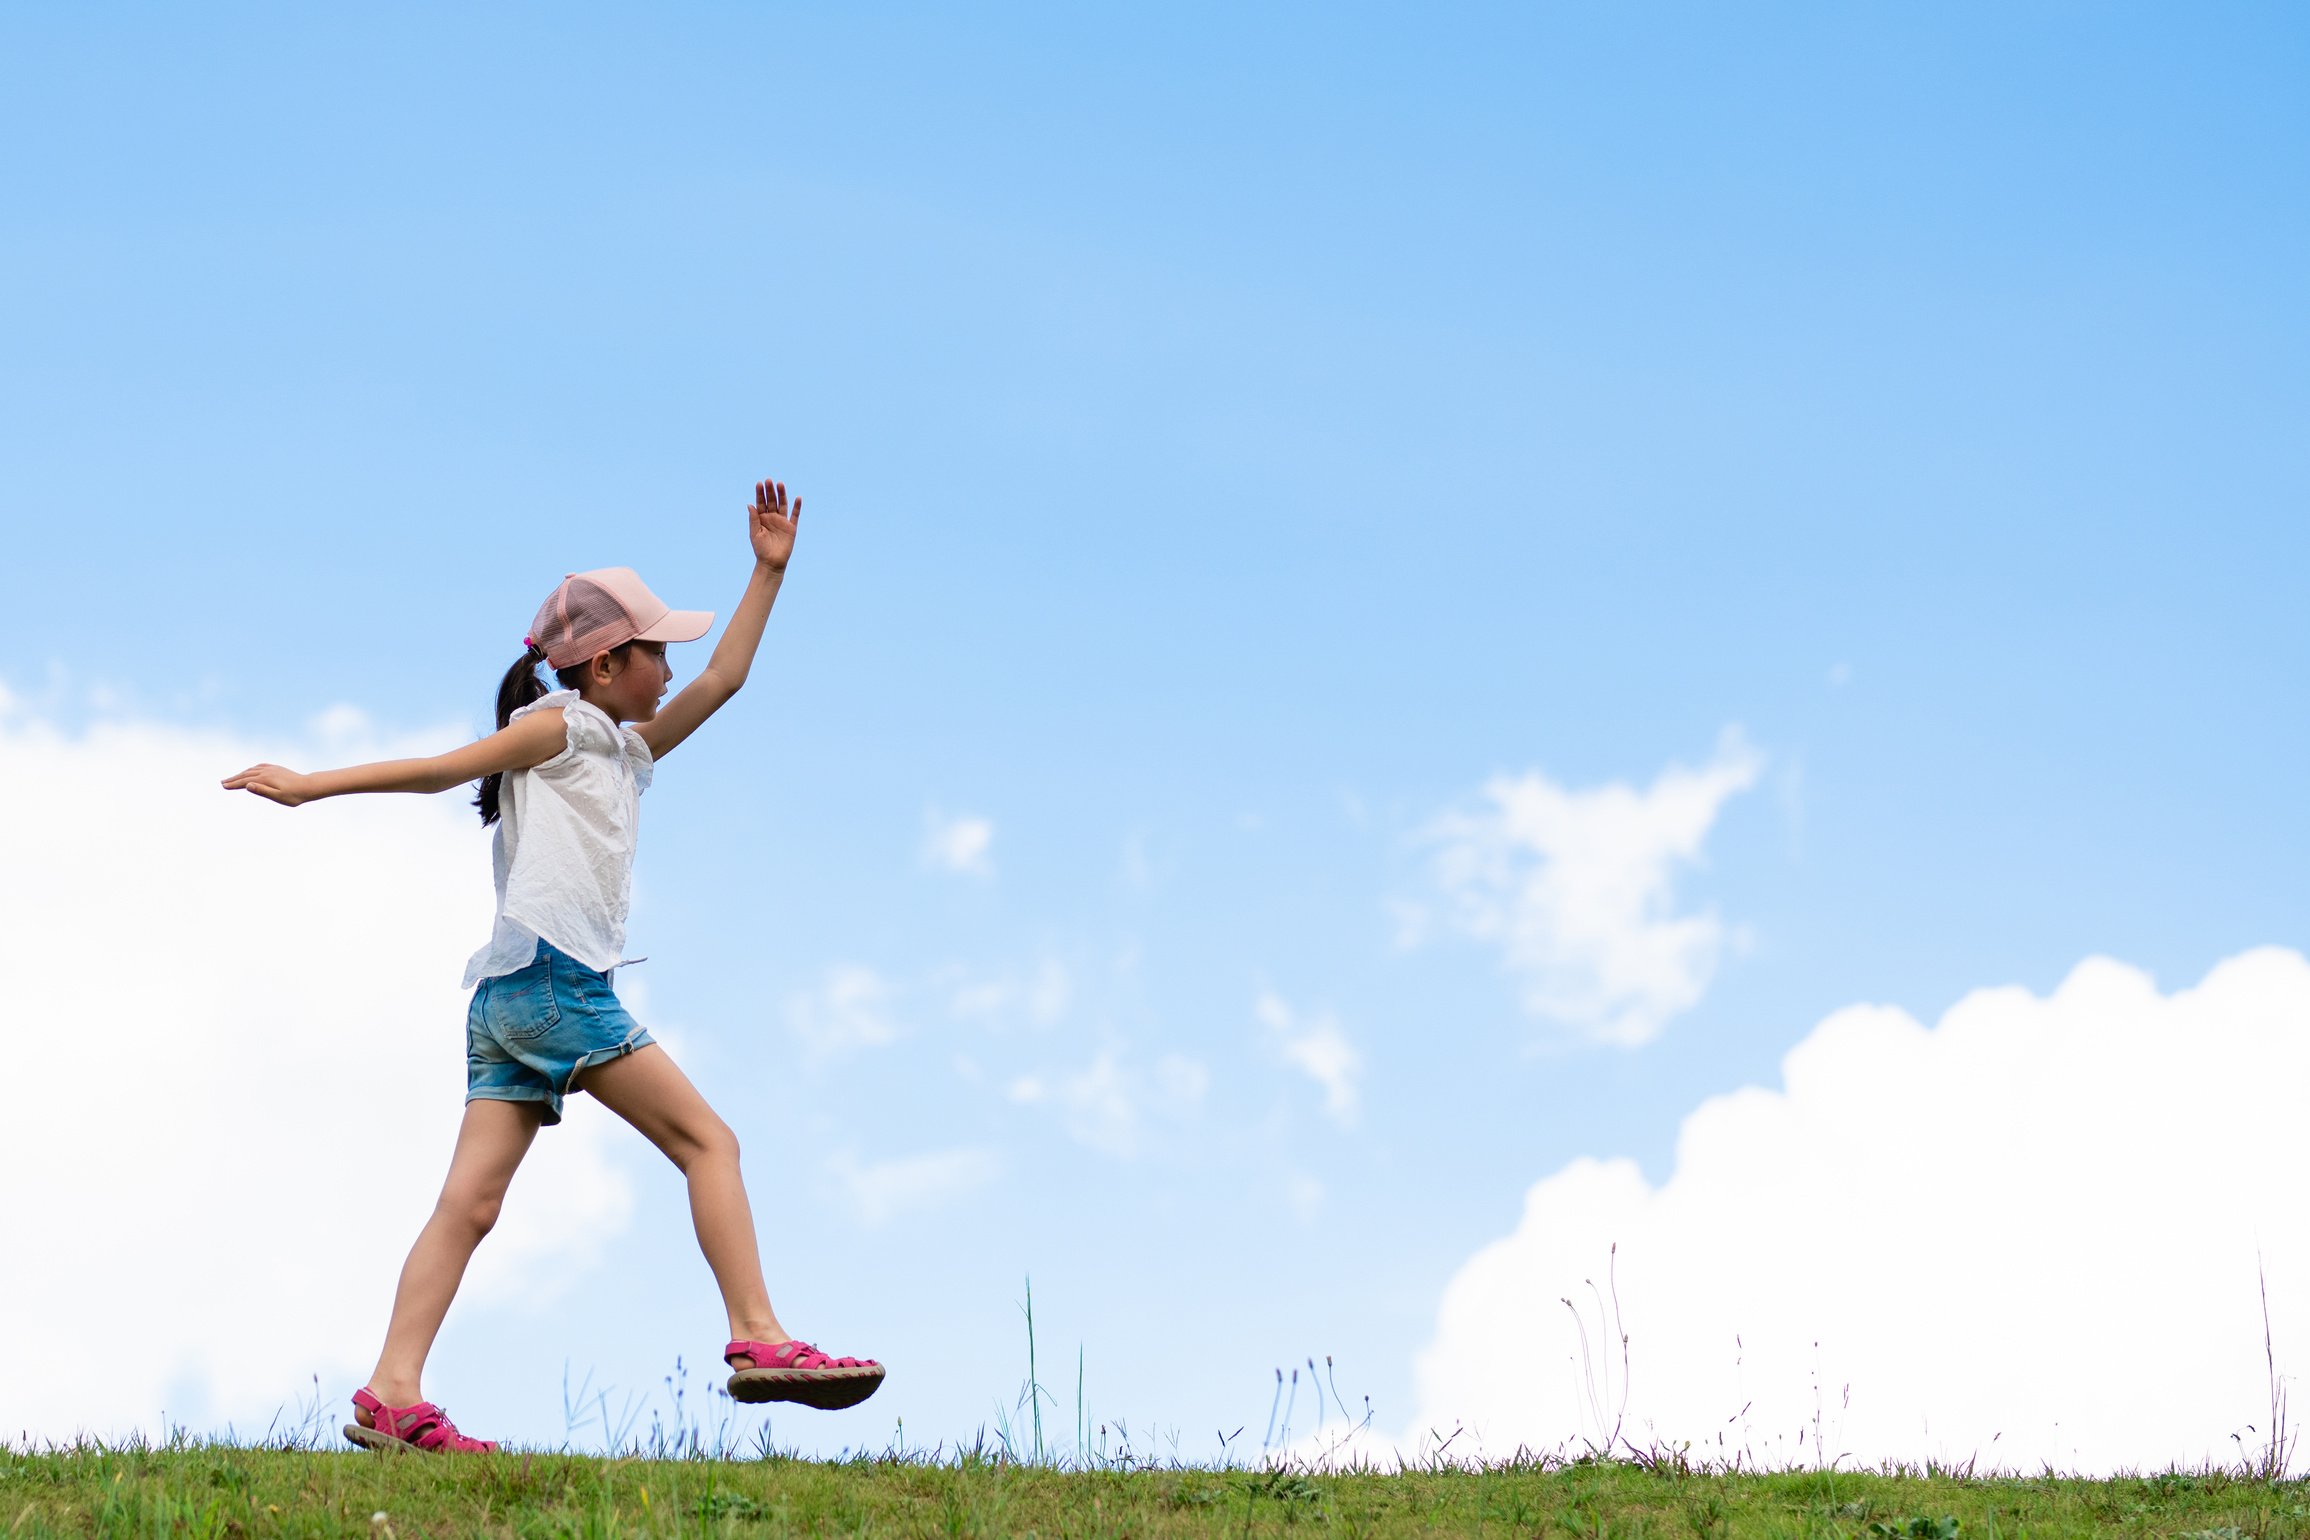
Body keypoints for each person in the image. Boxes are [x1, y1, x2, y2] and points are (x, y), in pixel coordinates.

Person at [223, 477, 881, 1454]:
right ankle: (758, 1337)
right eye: (657, 649)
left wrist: (767, 572)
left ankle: (393, 1393)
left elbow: (725, 682)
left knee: (471, 1202)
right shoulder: (566, 726)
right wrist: (312, 786)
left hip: (503, 999)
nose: (671, 665)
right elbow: (451, 764)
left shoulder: (620, 746)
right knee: (712, 1144)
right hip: (554, 988)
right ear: (607, 663)